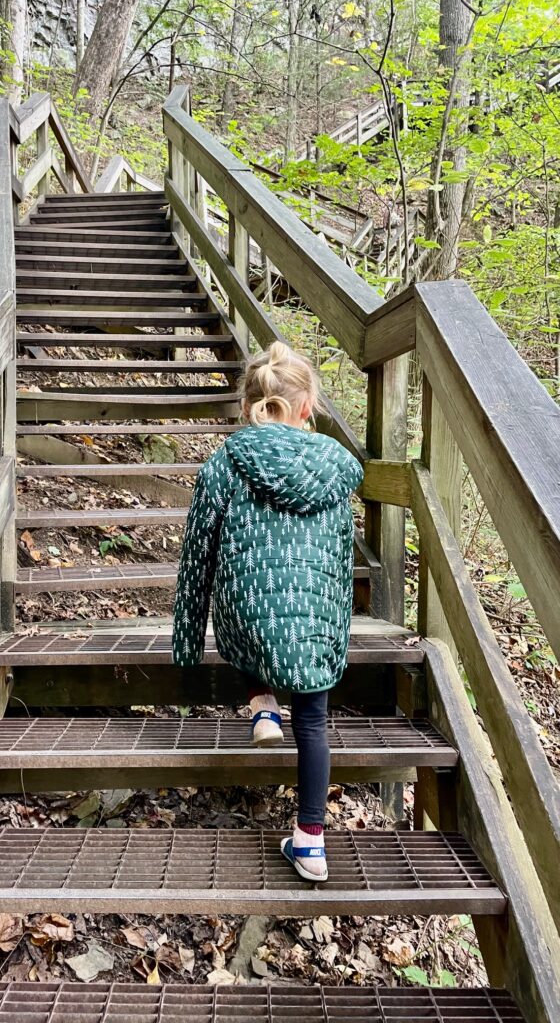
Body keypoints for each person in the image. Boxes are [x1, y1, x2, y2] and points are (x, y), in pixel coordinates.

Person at [172, 342, 363, 882]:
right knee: (314, 720)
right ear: (308, 407)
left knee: (248, 608)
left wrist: (187, 644)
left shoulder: (225, 462)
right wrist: (334, 636)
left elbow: (197, 556)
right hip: (314, 616)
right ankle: (310, 842)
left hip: (246, 615)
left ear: (248, 404)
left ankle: (259, 702)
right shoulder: (335, 470)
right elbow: (339, 561)